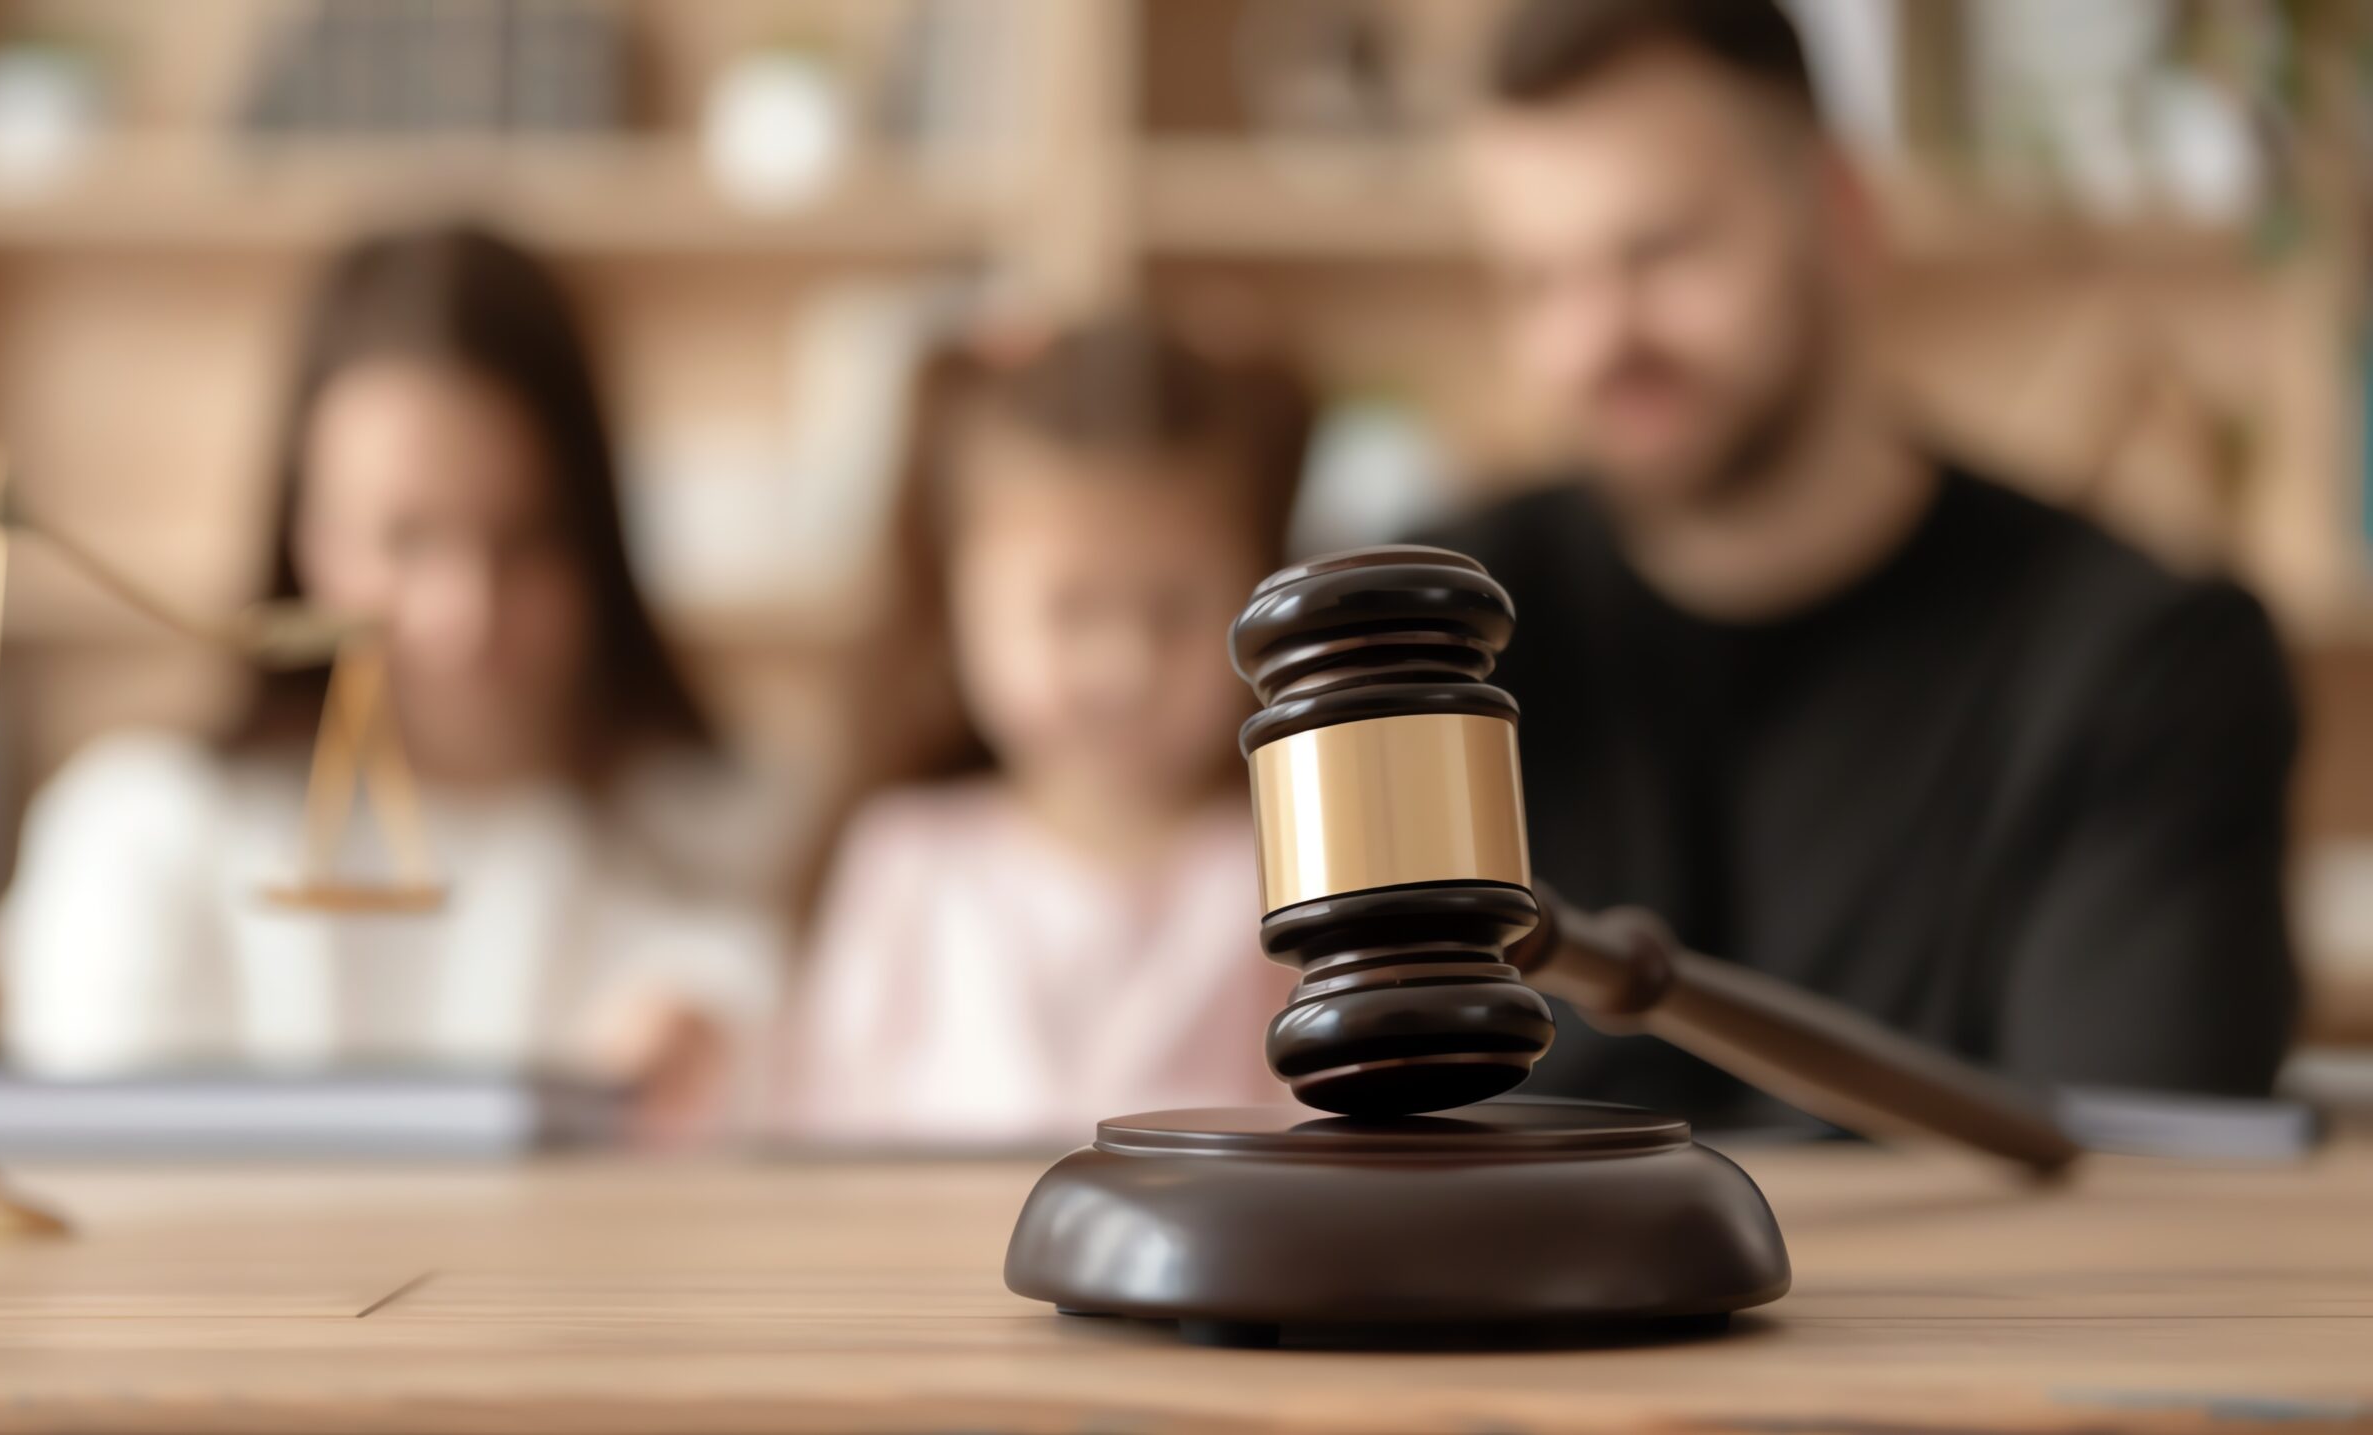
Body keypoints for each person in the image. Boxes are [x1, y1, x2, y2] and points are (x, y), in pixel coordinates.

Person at [1438, 0, 2298, 1127]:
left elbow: (2134, 1199)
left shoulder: (2147, 662)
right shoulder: (1439, 645)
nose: (1596, 340)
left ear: (1841, 216)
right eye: (1535, 282)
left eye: (1659, 250)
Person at [0, 225, 782, 1131]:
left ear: (597, 540)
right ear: (305, 534)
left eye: (524, 537)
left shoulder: (742, 833)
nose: (466, 614)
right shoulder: (143, 828)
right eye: (405, 537)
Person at [783, 317, 1310, 1146]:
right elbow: (815, 1129)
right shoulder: (905, 864)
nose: (1123, 667)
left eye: (1172, 610)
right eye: (1070, 609)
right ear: (957, 604)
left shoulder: (1284, 876)